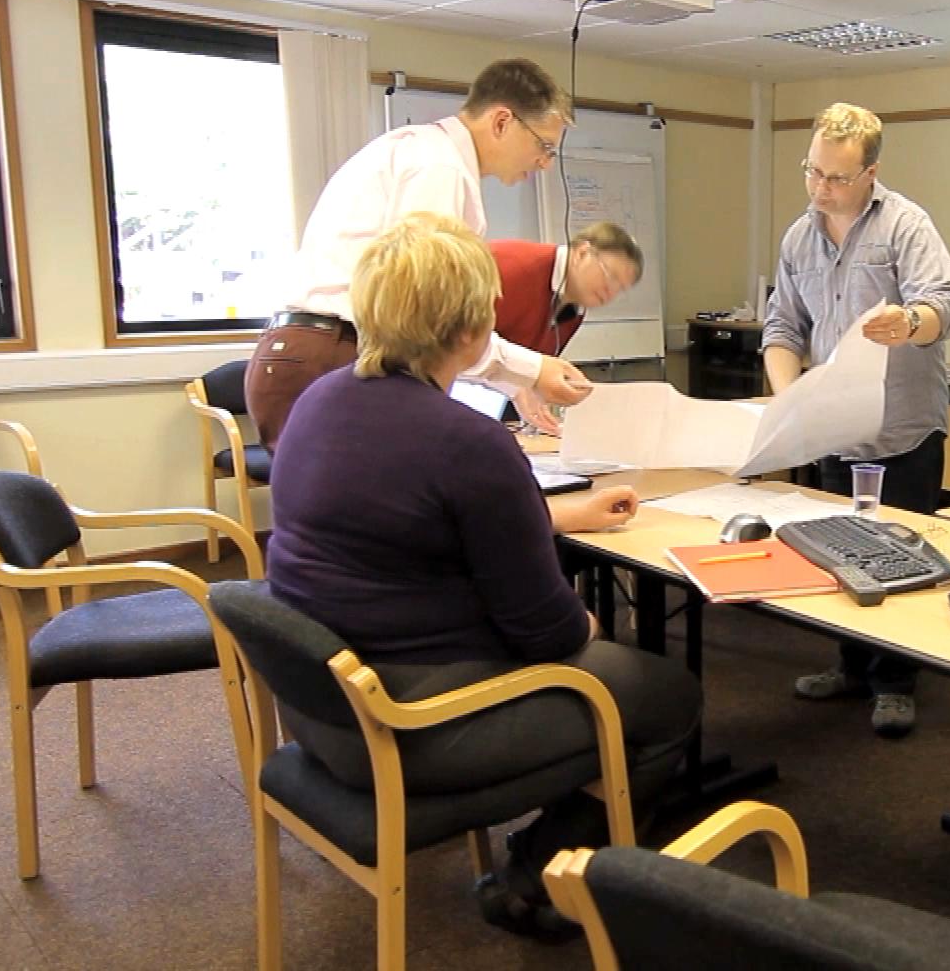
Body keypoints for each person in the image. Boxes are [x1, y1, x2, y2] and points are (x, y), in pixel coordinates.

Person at [265, 213, 701, 938]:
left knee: (607, 665)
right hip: (411, 724)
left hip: (319, 703)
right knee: (663, 696)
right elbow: (547, 632)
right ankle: (533, 878)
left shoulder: (321, 401)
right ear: (471, 333)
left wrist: (559, 518)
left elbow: (407, 524)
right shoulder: (467, 442)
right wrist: (585, 627)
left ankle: (555, 854)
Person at [245, 57, 593, 449]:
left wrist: (514, 382)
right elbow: (431, 317)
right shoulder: (439, 169)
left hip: (310, 352)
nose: (545, 163)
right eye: (544, 145)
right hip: (336, 354)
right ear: (501, 122)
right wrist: (531, 369)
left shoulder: (420, 151)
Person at [762, 102, 950, 738]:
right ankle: (851, 666)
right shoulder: (800, 236)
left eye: (836, 178)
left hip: (903, 428)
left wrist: (908, 323)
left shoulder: (906, 225)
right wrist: (789, 396)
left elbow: (946, 306)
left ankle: (896, 680)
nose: (821, 188)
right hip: (834, 429)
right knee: (835, 555)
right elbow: (781, 326)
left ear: (870, 172)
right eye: (812, 172)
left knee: (901, 558)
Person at [489, 221, 643, 369]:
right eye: (611, 277)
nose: (611, 293)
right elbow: (469, 345)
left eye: (620, 289)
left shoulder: (574, 308)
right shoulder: (515, 270)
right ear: (582, 253)